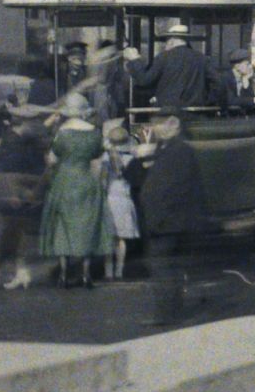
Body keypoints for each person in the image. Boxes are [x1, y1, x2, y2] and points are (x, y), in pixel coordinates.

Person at [37, 90, 114, 288]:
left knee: (62, 228)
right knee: (86, 226)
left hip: (65, 180)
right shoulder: (95, 133)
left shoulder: (62, 133)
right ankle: (86, 274)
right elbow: (98, 160)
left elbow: (52, 160)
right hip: (87, 180)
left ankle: (63, 274)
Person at [138, 112, 205, 258]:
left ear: (176, 125)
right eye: (156, 123)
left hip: (170, 224)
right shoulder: (165, 147)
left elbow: (172, 188)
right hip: (164, 223)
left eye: (163, 123)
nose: (158, 128)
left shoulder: (179, 150)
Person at [129, 22, 220, 110]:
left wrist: (134, 60)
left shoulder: (164, 57)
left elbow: (144, 80)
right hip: (195, 111)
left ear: (171, 41)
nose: (165, 45)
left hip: (168, 113)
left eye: (166, 41)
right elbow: (218, 82)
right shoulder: (201, 58)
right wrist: (207, 102)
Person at [102, 121, 143, 281]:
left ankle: (108, 270)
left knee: (109, 238)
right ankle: (120, 269)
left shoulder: (106, 158)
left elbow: (103, 180)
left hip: (110, 198)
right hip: (125, 199)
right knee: (121, 239)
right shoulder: (131, 158)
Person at [224, 48, 255, 114]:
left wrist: (246, 82)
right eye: (247, 64)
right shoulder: (226, 78)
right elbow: (231, 101)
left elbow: (250, 103)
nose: (250, 67)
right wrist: (253, 100)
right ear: (237, 66)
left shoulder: (246, 78)